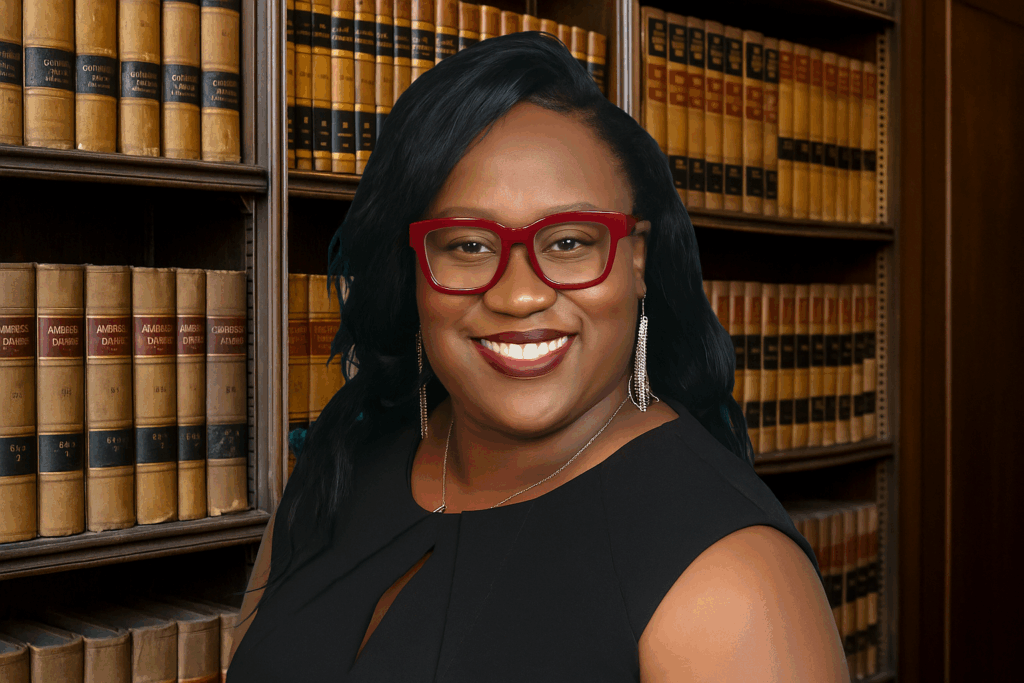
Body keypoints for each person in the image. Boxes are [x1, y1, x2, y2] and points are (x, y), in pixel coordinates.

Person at [226, 31, 848, 682]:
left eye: (571, 241)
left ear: (637, 260)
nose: (519, 294)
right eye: (467, 245)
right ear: (415, 269)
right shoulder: (340, 465)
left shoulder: (733, 579)